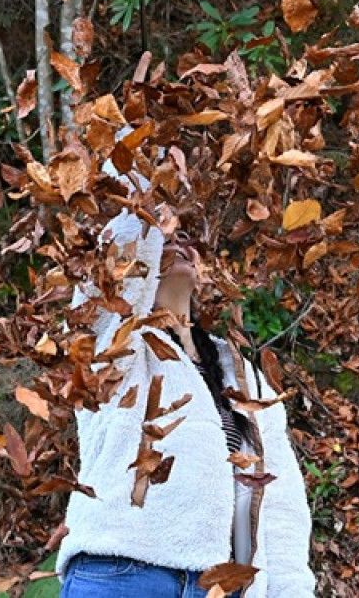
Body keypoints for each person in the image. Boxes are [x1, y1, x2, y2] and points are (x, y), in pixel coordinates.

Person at [53, 144, 317, 598]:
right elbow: (119, 263)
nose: (175, 233)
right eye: (164, 222)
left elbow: (281, 502)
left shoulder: (241, 373)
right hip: (123, 573)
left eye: (187, 227)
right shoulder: (108, 334)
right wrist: (147, 158)